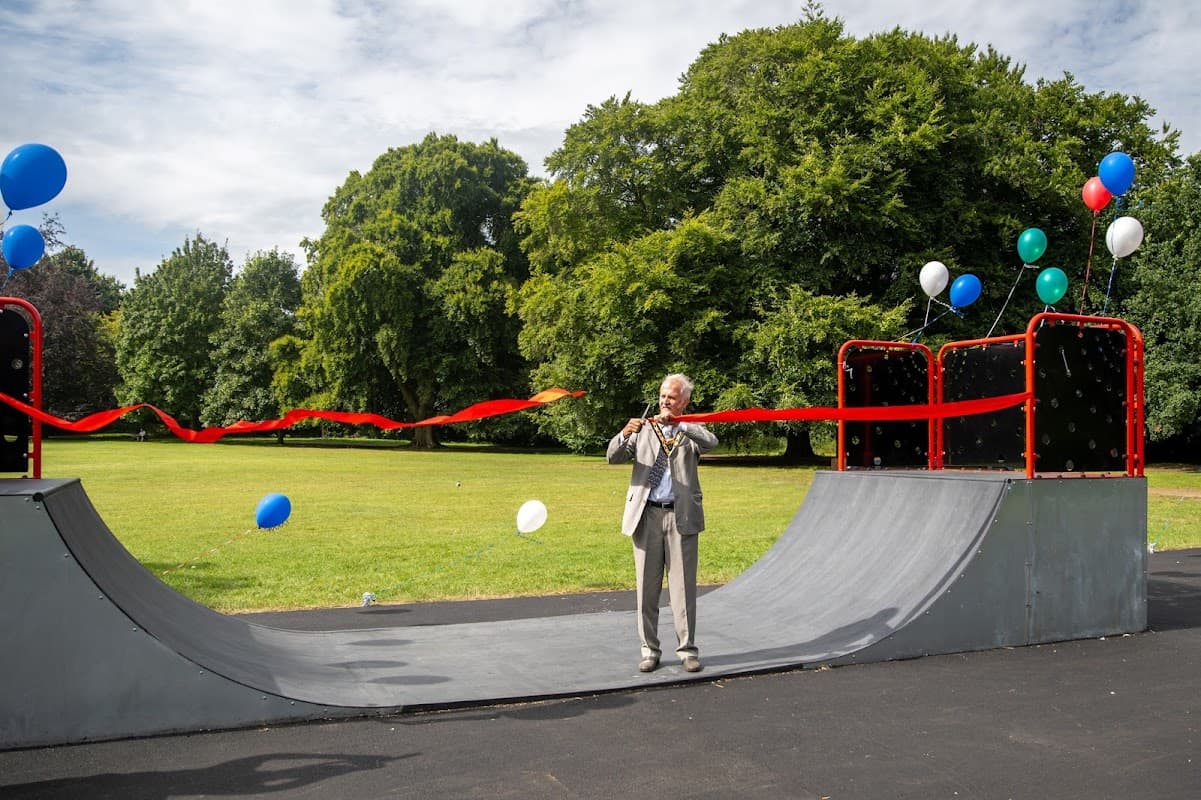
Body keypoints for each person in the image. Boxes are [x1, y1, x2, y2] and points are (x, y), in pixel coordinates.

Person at [606, 373, 718, 674]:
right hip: (647, 515)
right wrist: (625, 433)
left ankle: (687, 650)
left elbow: (712, 443)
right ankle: (649, 650)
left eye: (671, 397)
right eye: (662, 395)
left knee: (682, 590)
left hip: (681, 516)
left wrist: (680, 424)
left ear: (684, 401)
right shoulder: (644, 429)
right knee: (647, 590)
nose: (664, 401)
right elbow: (613, 457)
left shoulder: (692, 430)